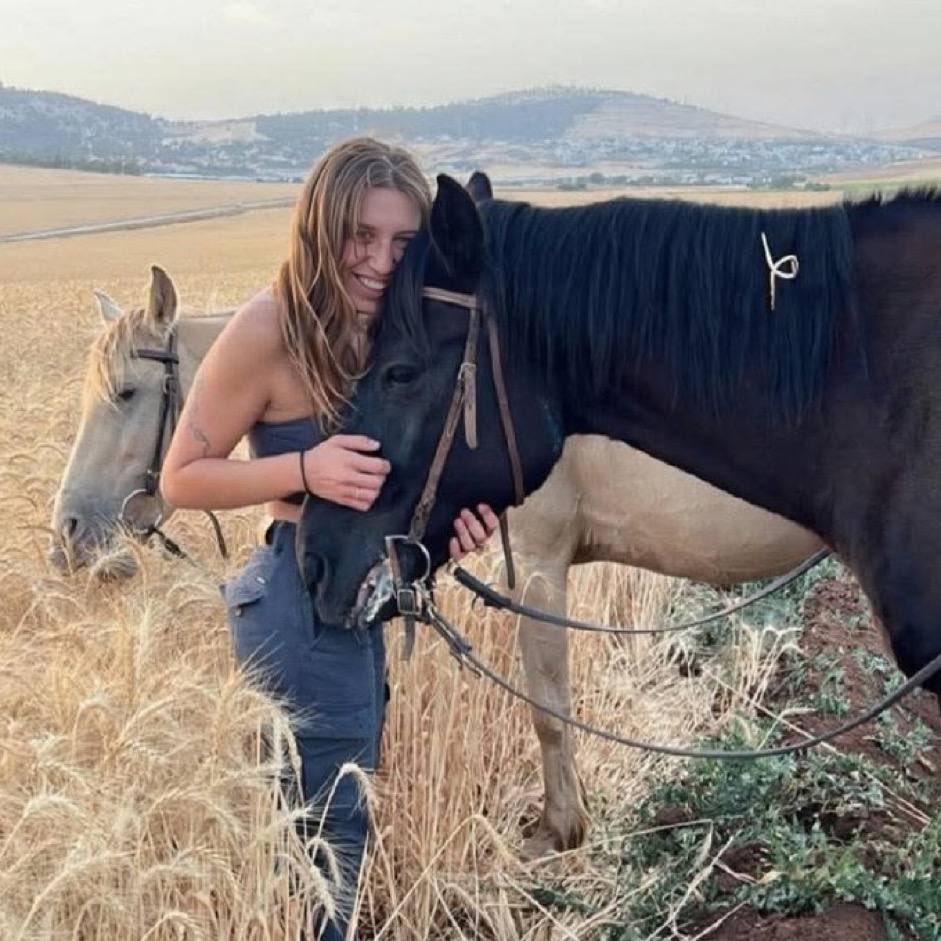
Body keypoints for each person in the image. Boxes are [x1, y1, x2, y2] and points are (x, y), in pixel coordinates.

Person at [160, 138, 497, 939]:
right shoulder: (270, 328)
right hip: (293, 604)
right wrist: (303, 467)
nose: (380, 261)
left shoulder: (401, 333)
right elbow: (181, 477)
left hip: (361, 603)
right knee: (324, 844)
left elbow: (401, 491)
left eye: (402, 243)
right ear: (320, 230)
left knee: (333, 833)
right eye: (360, 236)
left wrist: (457, 527)